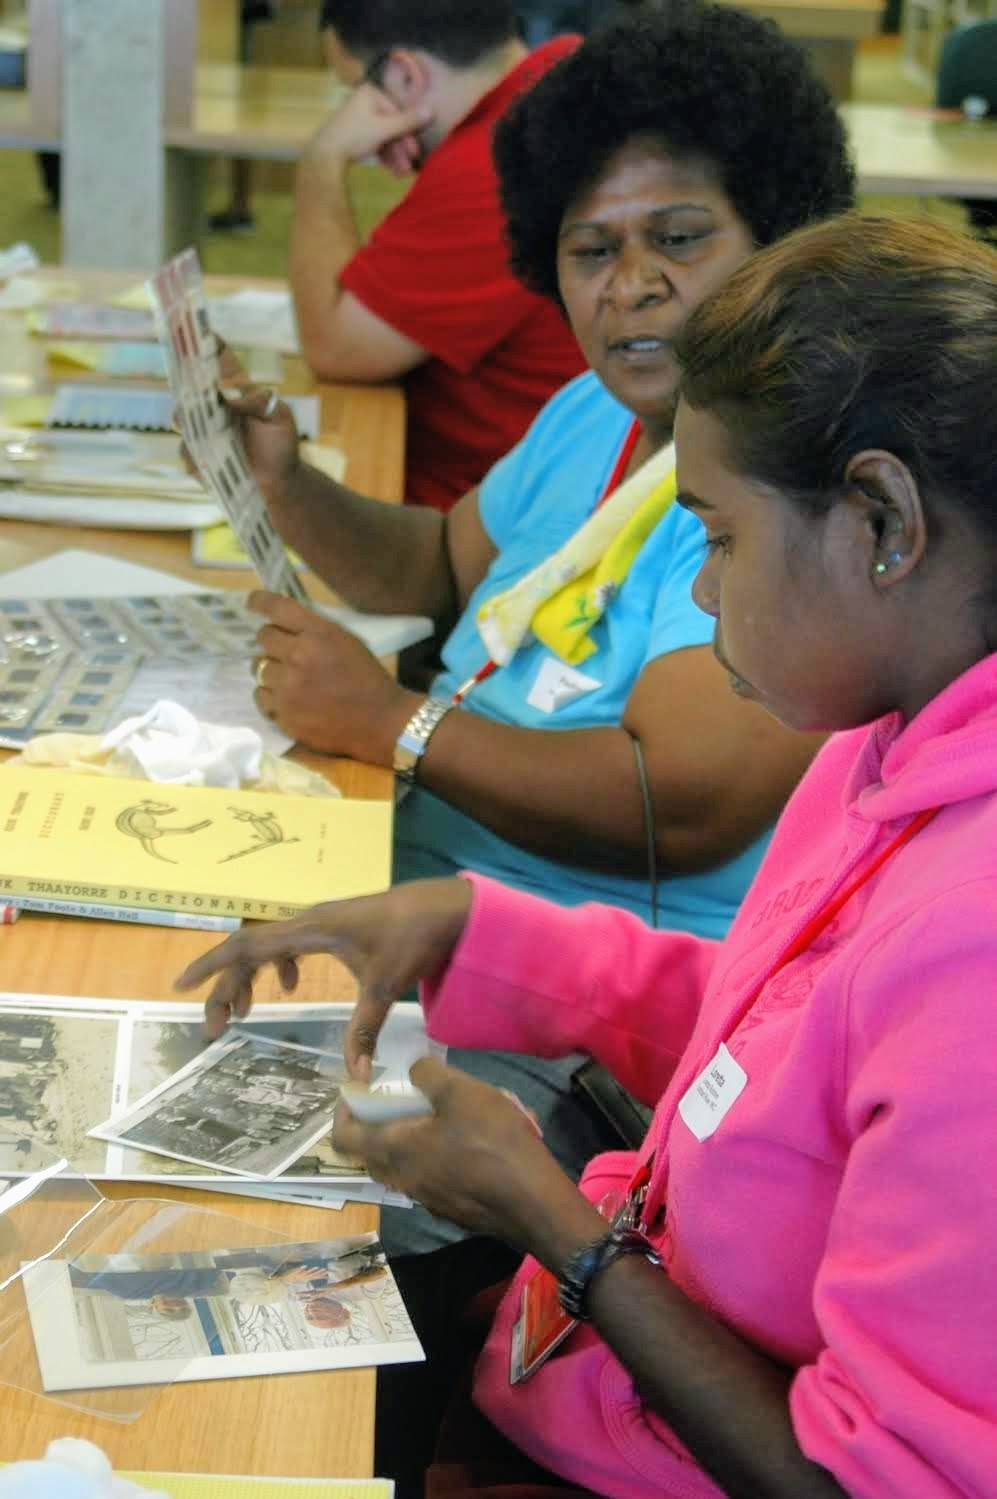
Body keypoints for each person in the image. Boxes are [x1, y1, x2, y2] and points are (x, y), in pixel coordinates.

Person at [181, 215, 997, 1499]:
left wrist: (548, 1216)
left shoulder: (974, 937)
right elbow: (780, 1043)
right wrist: (476, 928)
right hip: (579, 1388)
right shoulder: (886, 736)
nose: (709, 595)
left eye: (720, 540)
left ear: (882, 522)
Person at [213, 4, 853, 1251]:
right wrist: (290, 483)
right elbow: (446, 563)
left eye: (680, 238)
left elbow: (682, 797)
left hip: (574, 992)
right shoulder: (589, 409)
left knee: (278, 1214)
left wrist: (390, 721)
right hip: (416, 890)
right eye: (590, 250)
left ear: (776, 234)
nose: (633, 286)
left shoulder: (784, 484)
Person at [301, 1, 586, 512]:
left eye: (353, 91)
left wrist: (322, 161)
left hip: (470, 523)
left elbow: (335, 349)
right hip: (529, 486)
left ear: (405, 75)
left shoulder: (492, 166)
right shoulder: (559, 78)